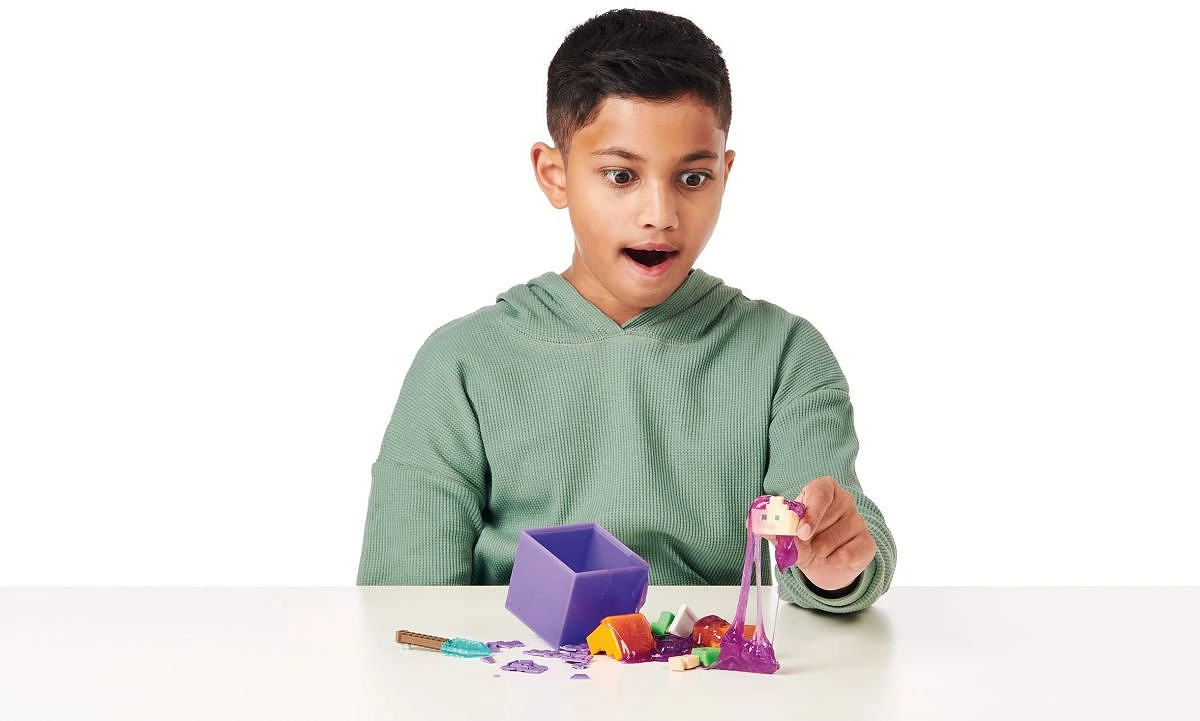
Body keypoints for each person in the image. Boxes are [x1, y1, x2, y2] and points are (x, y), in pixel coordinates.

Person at [357, 8, 895, 613]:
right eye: (620, 175)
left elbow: (834, 538)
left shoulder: (786, 353)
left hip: (706, 666)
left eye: (692, 178)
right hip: (516, 664)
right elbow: (400, 602)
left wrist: (834, 567)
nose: (659, 215)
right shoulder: (459, 362)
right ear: (555, 176)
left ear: (725, 174)